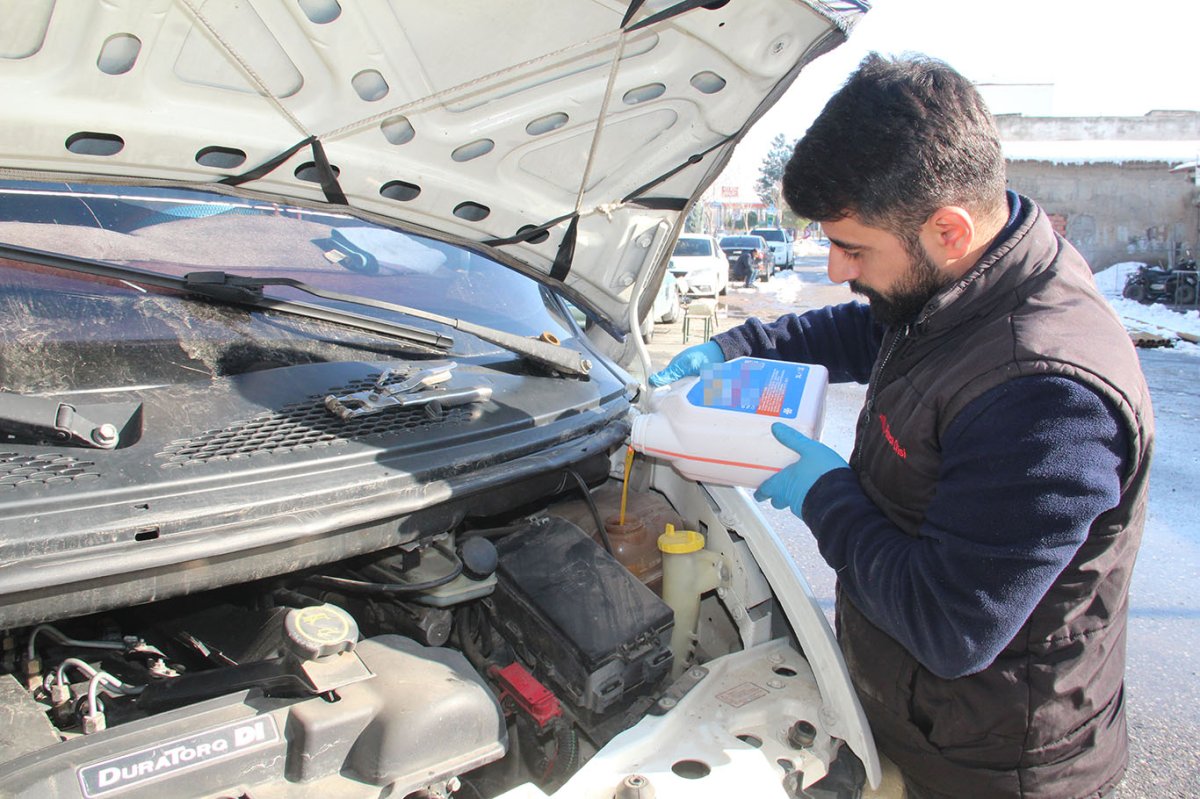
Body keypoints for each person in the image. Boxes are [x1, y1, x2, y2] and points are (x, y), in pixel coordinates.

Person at [649, 54, 1153, 799]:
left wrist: (828, 494)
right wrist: (738, 345)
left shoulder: (1048, 397)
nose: (838, 266)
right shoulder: (975, 276)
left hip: (988, 766)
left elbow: (951, 627)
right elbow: (872, 329)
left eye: (854, 247)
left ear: (948, 229)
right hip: (919, 715)